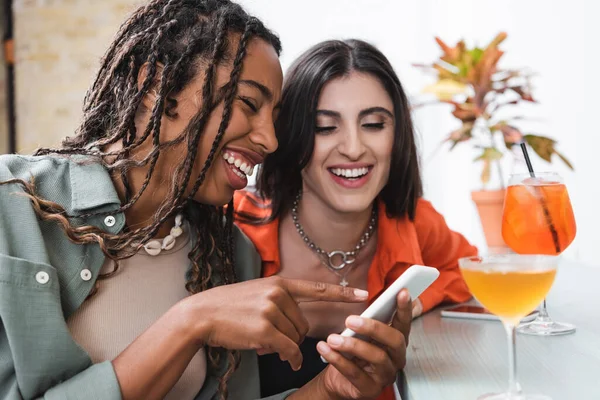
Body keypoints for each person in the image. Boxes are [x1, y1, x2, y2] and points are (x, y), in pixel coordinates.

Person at [0, 3, 410, 399]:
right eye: (248, 103)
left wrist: (331, 390)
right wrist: (191, 322)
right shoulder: (12, 206)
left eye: (275, 116)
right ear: (153, 84)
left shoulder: (229, 255)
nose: (271, 140)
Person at [235, 39, 478, 399]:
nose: (352, 148)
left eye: (374, 124)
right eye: (324, 127)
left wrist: (412, 303)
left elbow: (469, 270)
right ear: (291, 135)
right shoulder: (237, 228)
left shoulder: (413, 222)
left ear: (397, 136)